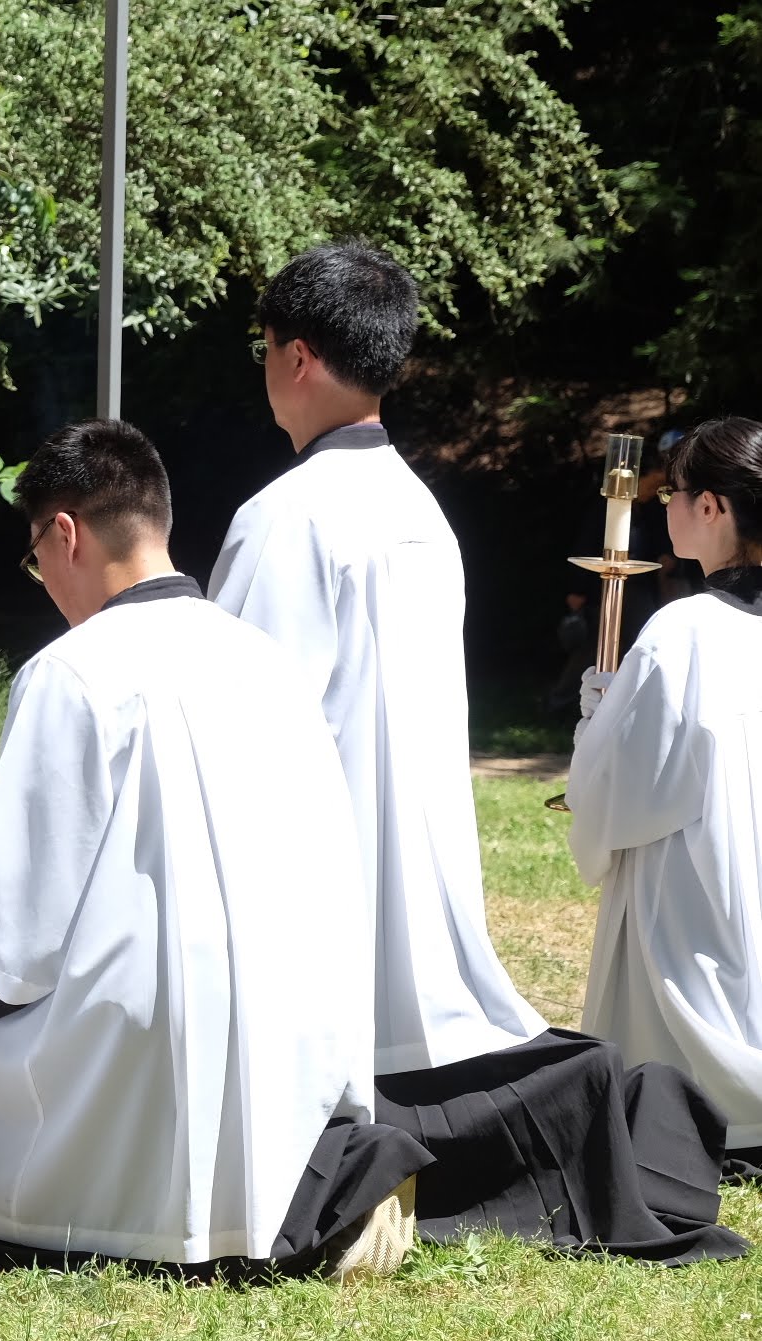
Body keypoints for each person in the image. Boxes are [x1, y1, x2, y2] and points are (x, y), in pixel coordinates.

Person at [212, 239, 745, 1263]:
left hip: (310, 892)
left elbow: (242, 727)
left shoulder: (280, 519)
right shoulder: (421, 516)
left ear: (293, 356)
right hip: (420, 891)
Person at [0, 419, 428, 1279]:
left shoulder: (71, 670)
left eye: (35, 557)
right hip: (290, 1040)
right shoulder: (266, 659)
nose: (43, 582)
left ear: (63, 532)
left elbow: (23, 938)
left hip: (146, 1042)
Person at [571, 417, 762, 1177]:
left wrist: (596, 725)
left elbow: (627, 789)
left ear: (712, 507)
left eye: (674, 495)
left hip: (691, 894)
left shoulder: (681, 631)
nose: (663, 509)